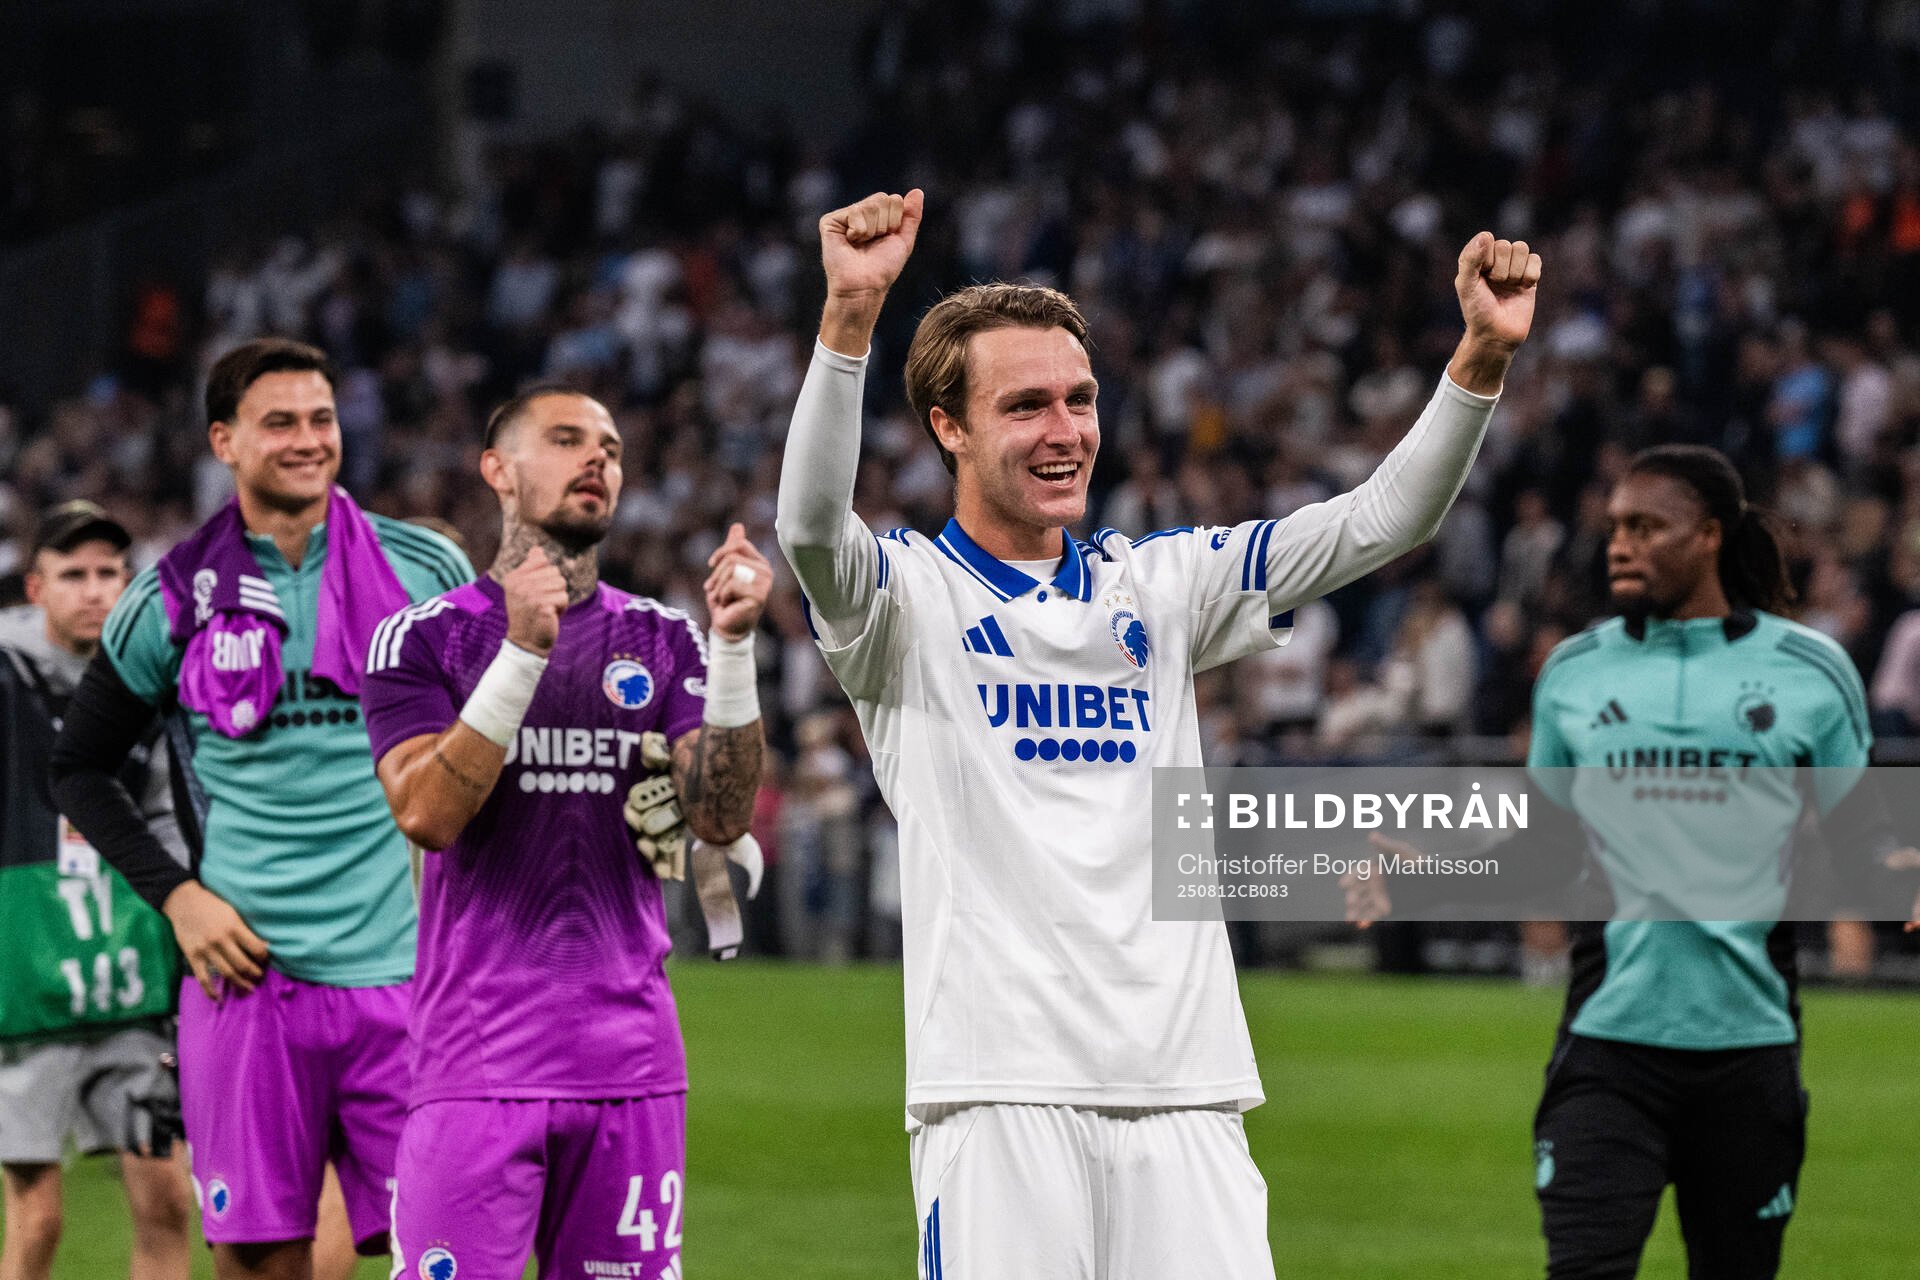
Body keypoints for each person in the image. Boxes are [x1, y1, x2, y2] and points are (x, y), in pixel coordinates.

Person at [775, 188, 1539, 1277]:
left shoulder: (1164, 586)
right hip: (1001, 1089)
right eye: (1026, 404)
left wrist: (1479, 361)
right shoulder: (903, 602)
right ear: (948, 426)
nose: (1066, 430)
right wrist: (849, 315)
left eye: (1081, 399)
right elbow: (808, 525)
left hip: (1189, 1086)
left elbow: (1383, 520)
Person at [1346, 444, 1920, 1279]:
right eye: (1616, 526)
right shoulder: (1577, 671)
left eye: (1648, 528)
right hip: (1608, 1050)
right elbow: (1545, 848)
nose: (1620, 544)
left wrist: (1898, 870)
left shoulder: (1811, 670)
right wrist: (1429, 870)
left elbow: (1860, 832)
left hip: (1750, 1053)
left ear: (1711, 537)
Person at [49, 339, 473, 1280]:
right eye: (279, 422)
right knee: (262, 1265)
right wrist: (179, 900)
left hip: (407, 978)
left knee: (441, 1256)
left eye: (321, 419)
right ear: (224, 441)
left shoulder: (426, 569)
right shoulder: (168, 599)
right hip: (247, 985)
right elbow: (77, 768)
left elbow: (496, 742)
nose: (308, 440)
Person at [362, 386, 768, 1279]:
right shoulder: (421, 640)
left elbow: (721, 816)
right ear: (497, 471)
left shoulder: (665, 640)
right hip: (474, 1067)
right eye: (566, 439)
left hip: (631, 1067)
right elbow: (427, 815)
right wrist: (521, 656)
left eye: (613, 448)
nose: (599, 459)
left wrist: (734, 652)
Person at [0, 502, 191, 1280]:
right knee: (38, 1220)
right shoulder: (5, 681)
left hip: (129, 986)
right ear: (36, 588)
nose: (93, 590)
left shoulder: (153, 687)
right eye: (73, 574)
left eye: (109, 573)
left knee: (165, 1201)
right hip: (27, 989)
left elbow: (172, 822)